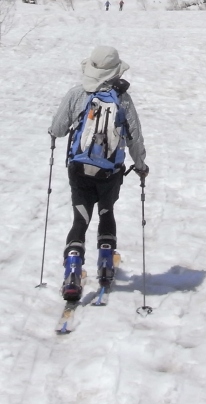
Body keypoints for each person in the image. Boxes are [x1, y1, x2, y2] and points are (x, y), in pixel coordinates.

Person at [48, 46, 149, 301]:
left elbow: (58, 129)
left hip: (79, 169)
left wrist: (53, 134)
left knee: (80, 220)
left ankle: (72, 269)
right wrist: (140, 165)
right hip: (110, 172)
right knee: (106, 212)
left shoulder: (77, 94)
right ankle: (105, 264)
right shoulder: (123, 99)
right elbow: (134, 136)